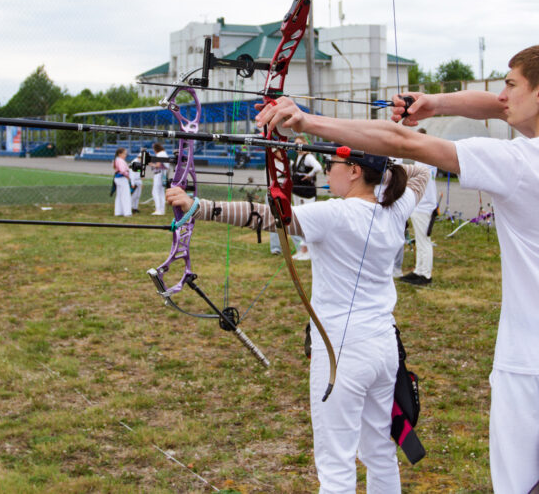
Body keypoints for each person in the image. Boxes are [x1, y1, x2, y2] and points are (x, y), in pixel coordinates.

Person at [255, 44, 539, 494]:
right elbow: (511, 105)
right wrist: (435, 104)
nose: (501, 96)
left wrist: (307, 121)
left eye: (510, 85)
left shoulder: (517, 162)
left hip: (532, 367)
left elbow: (403, 142)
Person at [166, 152, 429, 493]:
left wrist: (197, 207)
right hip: (383, 348)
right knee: (380, 451)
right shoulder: (395, 207)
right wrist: (385, 167)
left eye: (332, 163)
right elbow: (421, 170)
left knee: (336, 465)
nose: (327, 170)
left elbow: (263, 216)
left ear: (354, 171)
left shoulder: (335, 213)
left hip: (341, 353)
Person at [399, 128, 438, 286]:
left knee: (424, 241)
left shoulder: (425, 160)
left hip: (424, 206)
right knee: (420, 241)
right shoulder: (424, 158)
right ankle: (419, 270)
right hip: (420, 204)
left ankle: (425, 274)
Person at [290, 135, 324, 260]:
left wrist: (309, 175)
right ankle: (303, 249)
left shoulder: (308, 157)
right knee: (299, 219)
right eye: (296, 144)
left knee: (308, 220)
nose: (298, 146)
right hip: (297, 190)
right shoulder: (297, 157)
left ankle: (309, 250)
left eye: (300, 143)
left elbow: (318, 167)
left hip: (306, 191)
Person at [112, 147, 132, 217]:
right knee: (126, 196)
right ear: (120, 154)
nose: (125, 155)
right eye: (124, 154)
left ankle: (118, 212)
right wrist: (127, 175)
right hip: (122, 178)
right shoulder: (120, 160)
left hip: (118, 178)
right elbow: (123, 170)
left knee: (119, 195)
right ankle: (127, 212)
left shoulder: (116, 160)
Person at [150, 143, 168, 215]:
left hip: (159, 174)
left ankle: (158, 209)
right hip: (164, 174)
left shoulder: (160, 154)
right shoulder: (164, 153)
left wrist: (151, 164)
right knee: (161, 192)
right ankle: (162, 210)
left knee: (155, 192)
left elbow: (157, 165)